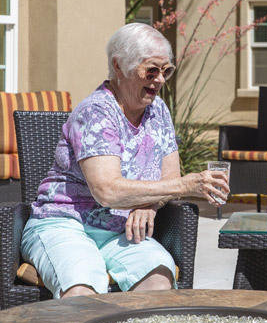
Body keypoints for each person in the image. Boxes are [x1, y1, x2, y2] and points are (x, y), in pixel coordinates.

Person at [20, 23, 229, 299]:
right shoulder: (97, 111)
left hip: (121, 229)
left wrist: (151, 205)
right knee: (82, 288)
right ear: (119, 67)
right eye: (151, 70)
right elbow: (107, 191)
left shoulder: (159, 111)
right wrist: (188, 184)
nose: (160, 79)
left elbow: (169, 179)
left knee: (159, 279)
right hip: (64, 223)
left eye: (166, 71)